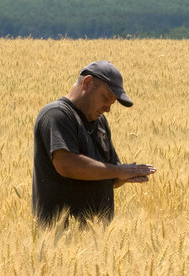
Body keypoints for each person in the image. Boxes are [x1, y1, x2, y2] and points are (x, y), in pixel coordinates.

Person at [32, 61, 156, 226]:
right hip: (60, 235)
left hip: (95, 238)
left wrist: (125, 175)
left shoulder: (100, 122)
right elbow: (66, 164)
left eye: (112, 103)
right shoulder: (57, 115)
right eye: (106, 98)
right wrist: (119, 171)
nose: (108, 108)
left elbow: (110, 174)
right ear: (87, 83)